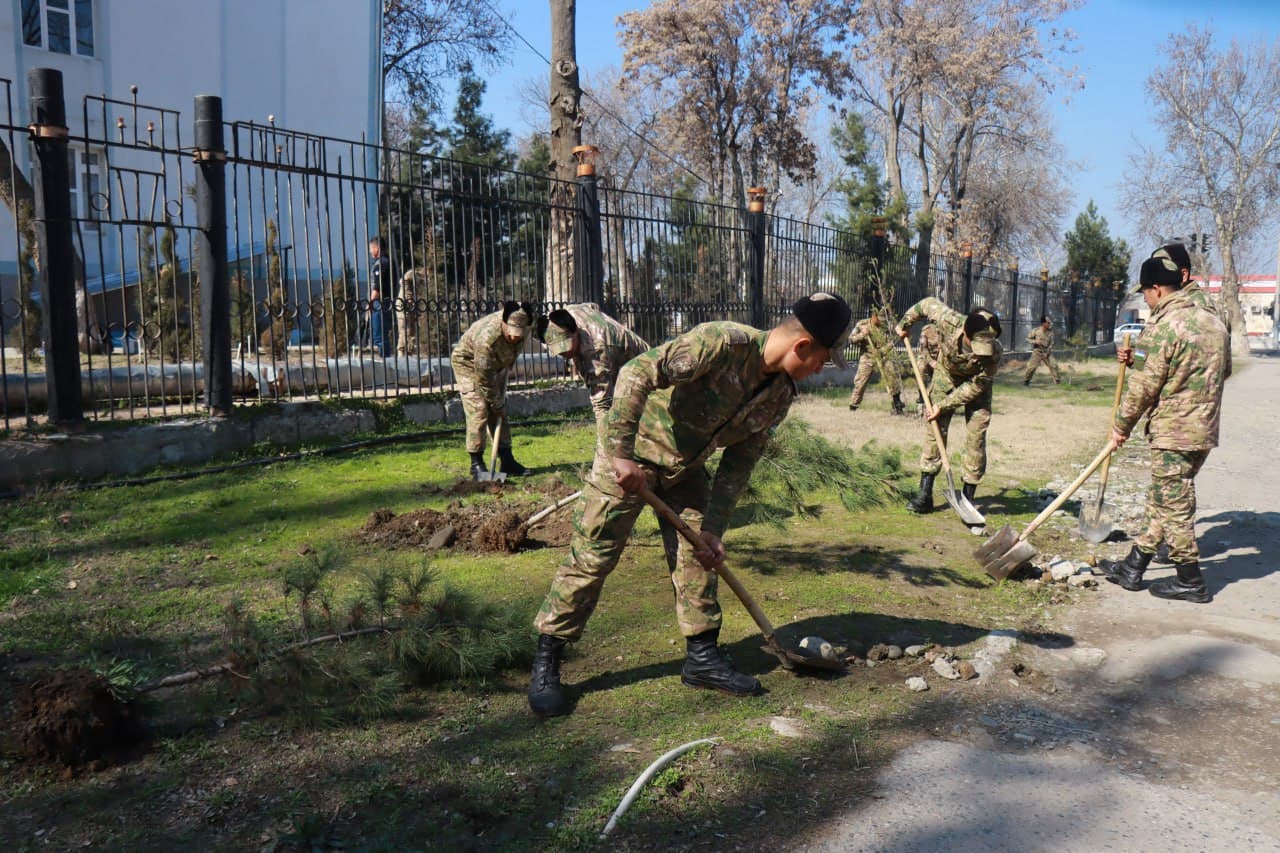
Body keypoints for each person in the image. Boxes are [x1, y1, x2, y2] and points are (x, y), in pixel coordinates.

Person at [527, 292, 853, 717]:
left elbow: (741, 461)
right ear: (802, 346)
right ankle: (548, 658)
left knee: (699, 552)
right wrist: (620, 454)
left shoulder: (779, 396)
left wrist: (714, 529)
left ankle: (701, 658)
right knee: (593, 556)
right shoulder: (720, 344)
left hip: (685, 470)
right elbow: (636, 373)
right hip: (631, 456)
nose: (817, 371)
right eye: (821, 360)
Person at [1098, 253, 1229, 603]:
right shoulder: (1212, 322)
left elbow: (1144, 385)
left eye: (1145, 293)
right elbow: (1217, 371)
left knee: (1175, 504)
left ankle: (1190, 579)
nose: (1145, 300)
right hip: (1204, 427)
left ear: (1157, 289)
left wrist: (1120, 426)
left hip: (1174, 429)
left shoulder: (1165, 325)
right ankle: (1134, 566)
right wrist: (1139, 357)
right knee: (1164, 497)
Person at [895, 299, 1003, 512]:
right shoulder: (949, 320)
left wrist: (943, 404)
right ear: (965, 332)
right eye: (976, 345)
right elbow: (925, 304)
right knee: (934, 428)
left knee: (977, 434)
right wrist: (905, 324)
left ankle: (967, 498)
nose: (980, 352)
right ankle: (925, 494)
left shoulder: (993, 353)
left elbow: (975, 387)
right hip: (947, 374)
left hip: (975, 384)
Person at [451, 301, 536, 478]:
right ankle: (477, 464)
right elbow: (483, 378)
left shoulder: (526, 325)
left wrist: (499, 404)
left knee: (500, 412)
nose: (514, 338)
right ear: (504, 325)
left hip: (498, 365)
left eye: (518, 335)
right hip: (469, 365)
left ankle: (507, 461)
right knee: (480, 409)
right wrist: (496, 403)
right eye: (511, 334)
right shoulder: (487, 338)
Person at [536, 304, 650, 434]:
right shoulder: (560, 317)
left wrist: (603, 443)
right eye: (558, 349)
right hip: (615, 357)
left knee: (641, 422)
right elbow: (592, 306)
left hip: (641, 365)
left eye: (566, 346)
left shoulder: (597, 350)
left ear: (575, 332)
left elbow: (601, 404)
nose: (564, 353)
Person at [847, 310, 906, 415]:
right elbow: (851, 339)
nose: (881, 322)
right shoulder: (862, 324)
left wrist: (881, 351)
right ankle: (853, 407)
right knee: (860, 382)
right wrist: (862, 335)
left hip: (883, 355)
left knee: (892, 375)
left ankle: (897, 404)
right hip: (868, 356)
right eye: (879, 319)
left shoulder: (887, 326)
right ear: (874, 316)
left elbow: (893, 341)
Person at [368, 237, 394, 357]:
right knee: (382, 335)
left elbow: (378, 287)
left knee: (379, 337)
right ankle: (386, 361)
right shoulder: (389, 261)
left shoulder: (381, 263)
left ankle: (385, 362)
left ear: (376, 248)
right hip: (387, 301)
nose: (370, 251)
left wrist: (371, 303)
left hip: (380, 302)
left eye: (371, 248)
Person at [1022, 315, 1061, 385]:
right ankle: (1026, 381)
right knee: (1032, 368)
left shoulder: (1051, 332)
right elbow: (1027, 339)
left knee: (1054, 365)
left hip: (1047, 352)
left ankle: (1057, 381)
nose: (1049, 324)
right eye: (1048, 323)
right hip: (1037, 352)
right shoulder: (1036, 331)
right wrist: (1035, 341)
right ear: (1044, 323)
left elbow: (1052, 343)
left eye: (1049, 323)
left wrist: (1047, 353)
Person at [914, 322, 941, 417]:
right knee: (921, 367)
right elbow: (924, 350)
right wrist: (931, 362)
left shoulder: (948, 329)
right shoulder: (927, 330)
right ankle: (921, 399)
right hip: (927, 357)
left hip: (942, 360)